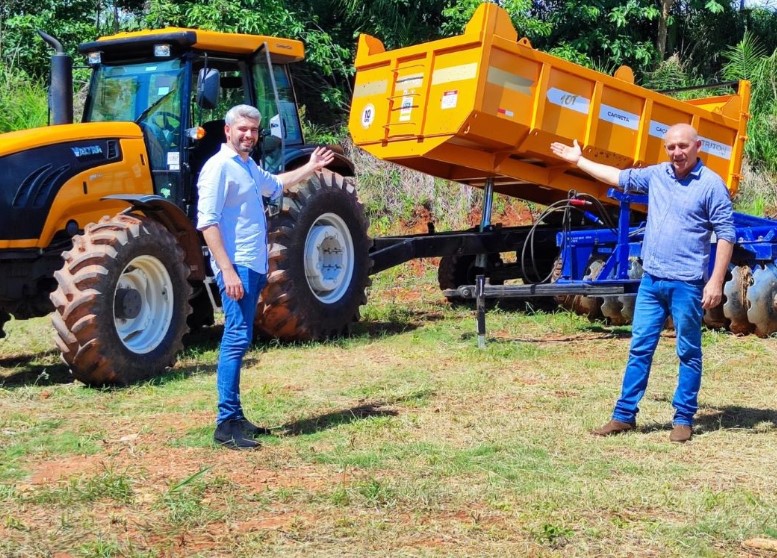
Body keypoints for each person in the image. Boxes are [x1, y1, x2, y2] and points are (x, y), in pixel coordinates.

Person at [550, 123, 735, 443]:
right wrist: (579, 161)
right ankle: (624, 416)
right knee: (640, 348)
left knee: (688, 351)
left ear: (697, 146)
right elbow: (617, 177)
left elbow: (727, 235)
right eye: (671, 147)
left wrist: (715, 281)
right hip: (651, 281)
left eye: (683, 146)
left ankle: (683, 418)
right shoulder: (658, 175)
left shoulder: (711, 185)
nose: (676, 152)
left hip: (687, 284)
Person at [197, 104, 334, 450]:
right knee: (236, 339)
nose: (248, 135)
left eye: (254, 131)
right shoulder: (218, 168)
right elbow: (208, 223)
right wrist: (227, 270)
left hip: (254, 266)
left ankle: (236, 416)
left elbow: (276, 185)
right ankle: (226, 424)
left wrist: (311, 167)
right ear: (228, 131)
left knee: (240, 339)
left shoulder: (246, 166)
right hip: (238, 267)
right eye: (242, 129)